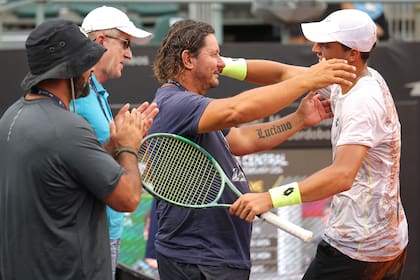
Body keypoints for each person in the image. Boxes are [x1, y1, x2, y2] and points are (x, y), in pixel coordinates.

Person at [149, 19, 357, 279]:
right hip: (198, 260)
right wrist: (307, 80)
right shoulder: (175, 103)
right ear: (188, 60)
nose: (220, 63)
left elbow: (242, 140)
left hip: (214, 257)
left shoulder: (188, 105)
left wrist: (299, 119)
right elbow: (238, 110)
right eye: (214, 55)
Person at [229, 9, 408, 280]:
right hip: (381, 242)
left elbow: (341, 176)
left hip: (358, 250)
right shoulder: (350, 77)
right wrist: (222, 64)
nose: (315, 49)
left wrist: (269, 198)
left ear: (352, 54)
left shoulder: (362, 101)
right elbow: (283, 74)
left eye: (325, 44)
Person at [0, 19, 157, 280]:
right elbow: (128, 198)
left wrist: (114, 145)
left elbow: (68, 172)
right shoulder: (69, 128)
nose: (89, 71)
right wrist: (128, 146)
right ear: (70, 69)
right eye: (86, 63)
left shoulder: (10, 117)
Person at [72, 6, 153, 278]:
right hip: (90, 236)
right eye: (126, 44)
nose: (129, 54)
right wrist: (123, 144)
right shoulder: (76, 93)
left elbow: (96, 156)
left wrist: (124, 137)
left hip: (105, 231)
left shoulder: (93, 90)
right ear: (101, 42)